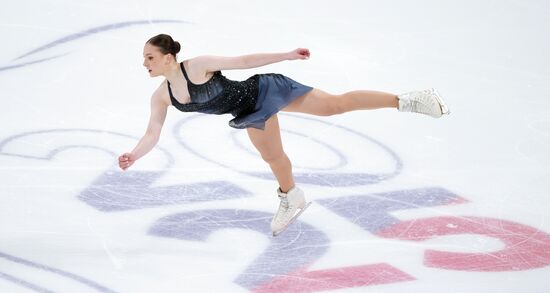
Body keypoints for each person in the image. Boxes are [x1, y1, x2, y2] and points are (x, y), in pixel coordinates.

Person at [118, 34, 450, 236]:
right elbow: (153, 132)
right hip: (248, 113)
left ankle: (410, 99)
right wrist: (134, 153)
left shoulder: (197, 66)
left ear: (168, 58)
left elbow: (244, 60)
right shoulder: (162, 96)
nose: (144, 63)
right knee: (273, 157)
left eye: (149, 57)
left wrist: (287, 54)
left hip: (265, 89)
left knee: (335, 106)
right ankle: (292, 198)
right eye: (144, 58)